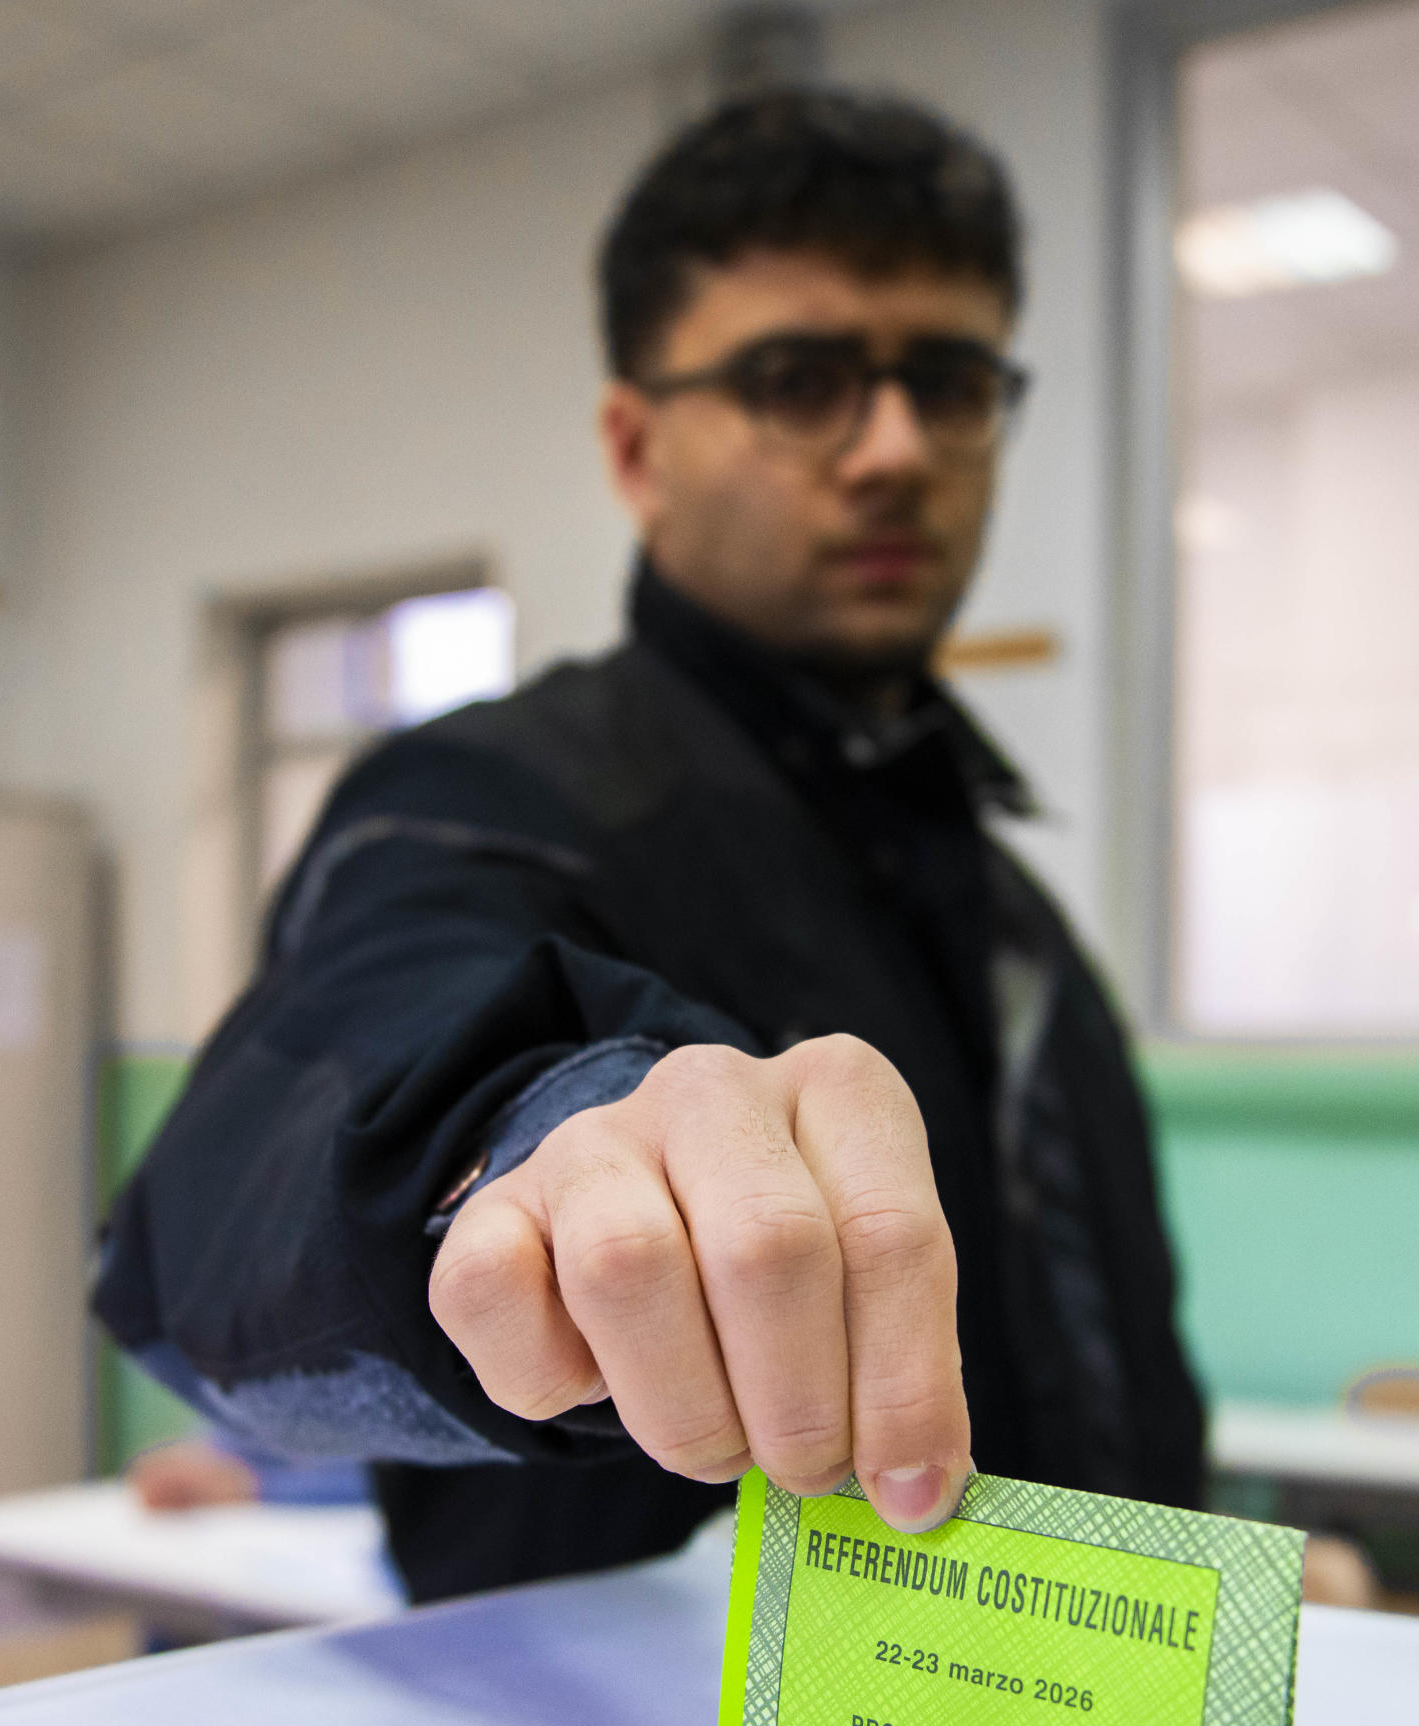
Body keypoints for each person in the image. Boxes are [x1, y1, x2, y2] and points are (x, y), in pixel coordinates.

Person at [91, 87, 1207, 1607]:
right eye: (800, 380)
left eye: (946, 382)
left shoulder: (1011, 914)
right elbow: (287, 1151)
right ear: (635, 449)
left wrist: (1206, 1596)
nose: (892, 448)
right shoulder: (486, 793)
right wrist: (543, 1138)